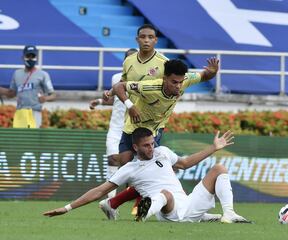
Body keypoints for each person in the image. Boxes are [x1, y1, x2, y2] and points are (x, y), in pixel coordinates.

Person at [43, 127, 252, 224]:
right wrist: (67, 208)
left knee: (219, 169)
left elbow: (186, 163)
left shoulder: (163, 152)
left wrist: (213, 148)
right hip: (167, 211)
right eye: (146, 145)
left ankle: (229, 214)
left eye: (152, 143)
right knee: (165, 193)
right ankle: (144, 214)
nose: (151, 148)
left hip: (188, 204)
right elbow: (99, 191)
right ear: (135, 147)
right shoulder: (129, 169)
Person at [99, 58, 219, 219]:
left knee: (157, 172)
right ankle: (113, 203)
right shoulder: (149, 86)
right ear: (164, 79)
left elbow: (205, 75)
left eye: (180, 82)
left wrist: (212, 72)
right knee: (132, 170)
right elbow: (119, 86)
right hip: (132, 129)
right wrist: (128, 104)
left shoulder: (185, 80)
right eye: (174, 82)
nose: (178, 86)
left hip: (153, 132)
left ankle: (181, 208)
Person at [89, 48, 138, 199]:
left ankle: (131, 200)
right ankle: (110, 202)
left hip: (133, 128)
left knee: (128, 165)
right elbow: (116, 98)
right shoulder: (116, 77)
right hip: (116, 127)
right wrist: (99, 101)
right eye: (128, 59)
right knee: (112, 159)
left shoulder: (143, 80)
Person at [0, 45, 56, 128]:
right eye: (28, 56)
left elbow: (53, 95)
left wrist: (45, 98)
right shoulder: (17, 74)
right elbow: (11, 93)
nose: (30, 59)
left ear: (36, 58)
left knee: (32, 138)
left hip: (34, 112)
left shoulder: (43, 75)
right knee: (20, 139)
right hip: (20, 112)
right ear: (23, 57)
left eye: (32, 56)